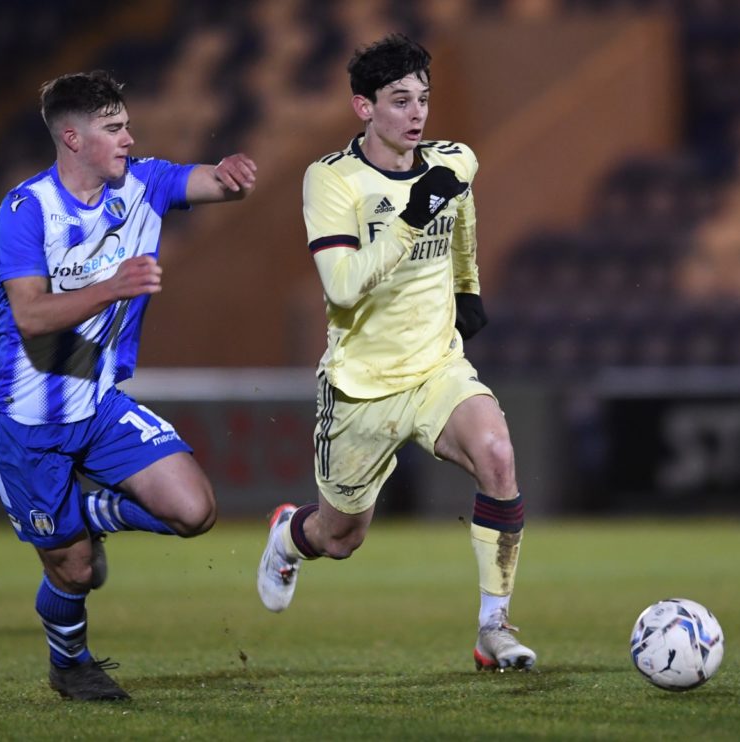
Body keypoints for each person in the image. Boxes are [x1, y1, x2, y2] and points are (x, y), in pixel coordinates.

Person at [256, 34, 536, 672]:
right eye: (400, 100)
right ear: (364, 108)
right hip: (361, 385)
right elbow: (343, 285)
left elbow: (461, 210)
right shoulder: (331, 180)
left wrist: (467, 286)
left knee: (497, 455)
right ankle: (287, 537)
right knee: (340, 536)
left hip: (437, 366)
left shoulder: (450, 164)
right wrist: (412, 216)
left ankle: (494, 626)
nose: (417, 113)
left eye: (424, 99)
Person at [0, 70, 256, 701]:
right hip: (27, 422)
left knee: (195, 511)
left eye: (127, 124)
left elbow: (211, 181)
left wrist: (232, 171)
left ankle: (91, 514)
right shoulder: (26, 211)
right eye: (114, 128)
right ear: (72, 138)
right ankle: (69, 663)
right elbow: (30, 316)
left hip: (97, 403)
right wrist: (113, 286)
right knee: (72, 570)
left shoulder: (143, 184)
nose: (129, 137)